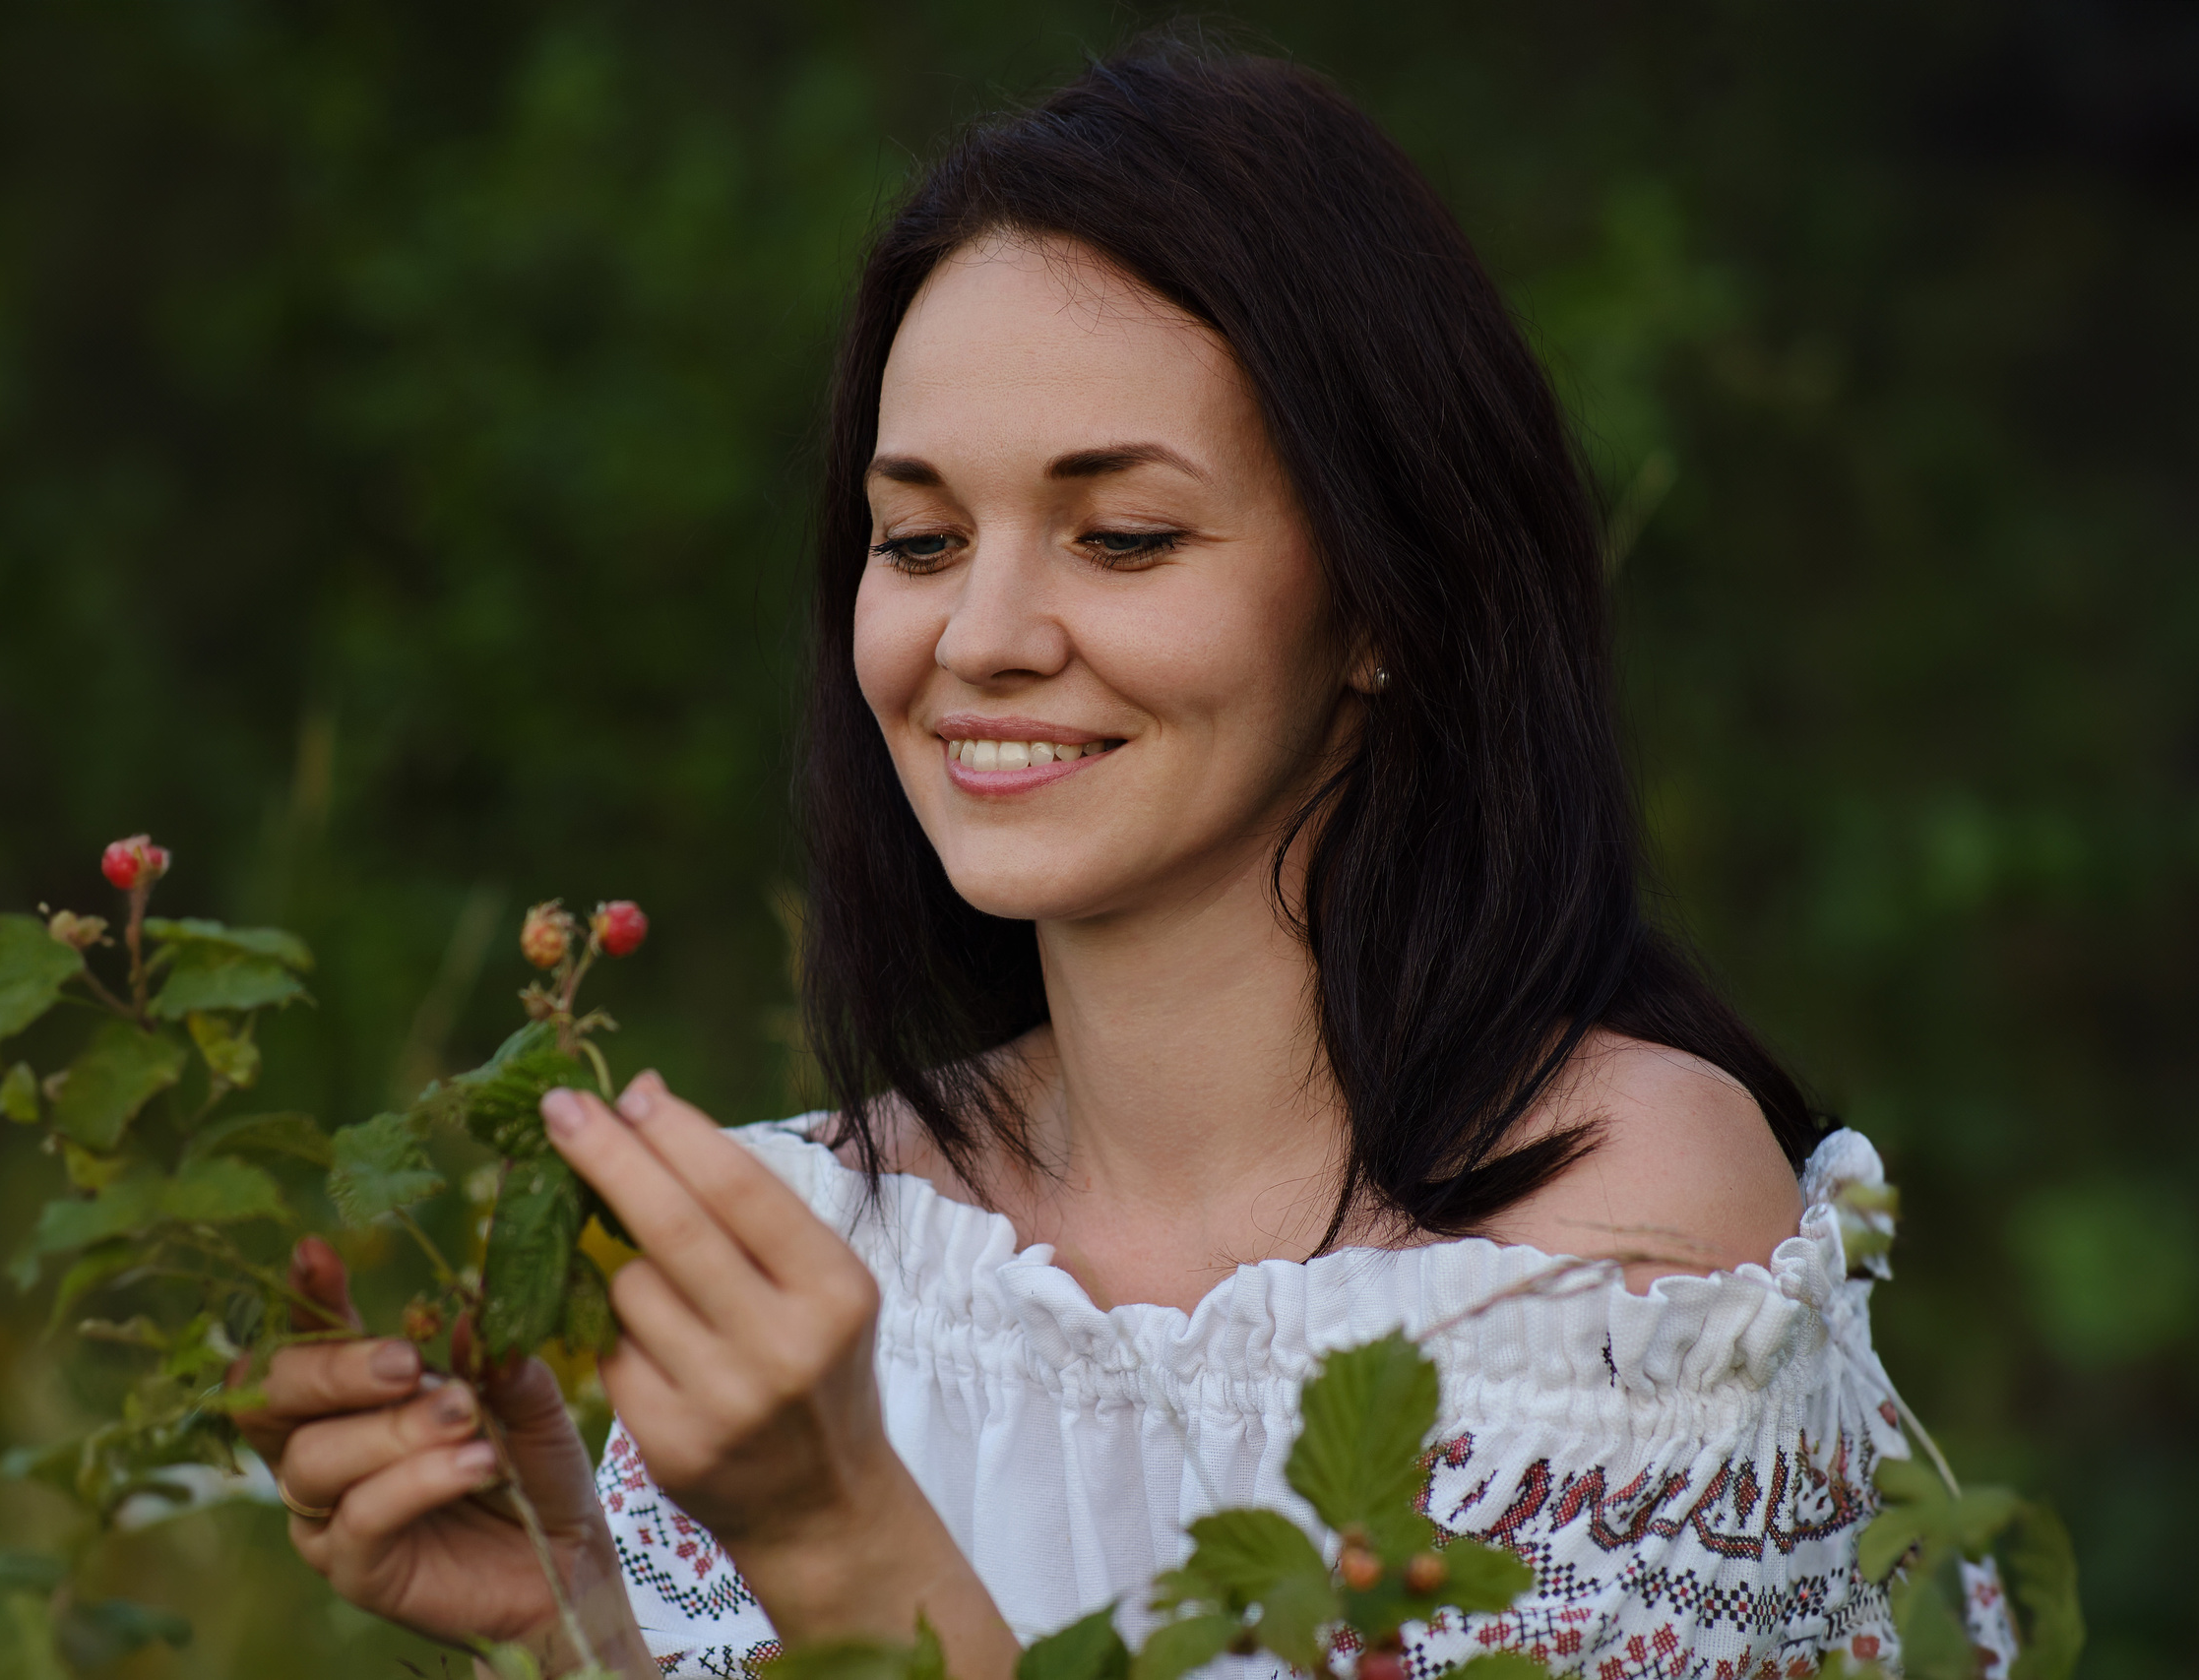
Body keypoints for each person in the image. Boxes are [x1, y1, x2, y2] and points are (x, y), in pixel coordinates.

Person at [236, 39, 1912, 1680]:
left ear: (1387, 601)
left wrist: (838, 1549)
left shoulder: (1617, 1252)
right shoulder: (827, 1232)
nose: (980, 636)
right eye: (920, 539)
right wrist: (577, 1628)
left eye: (1121, 537)